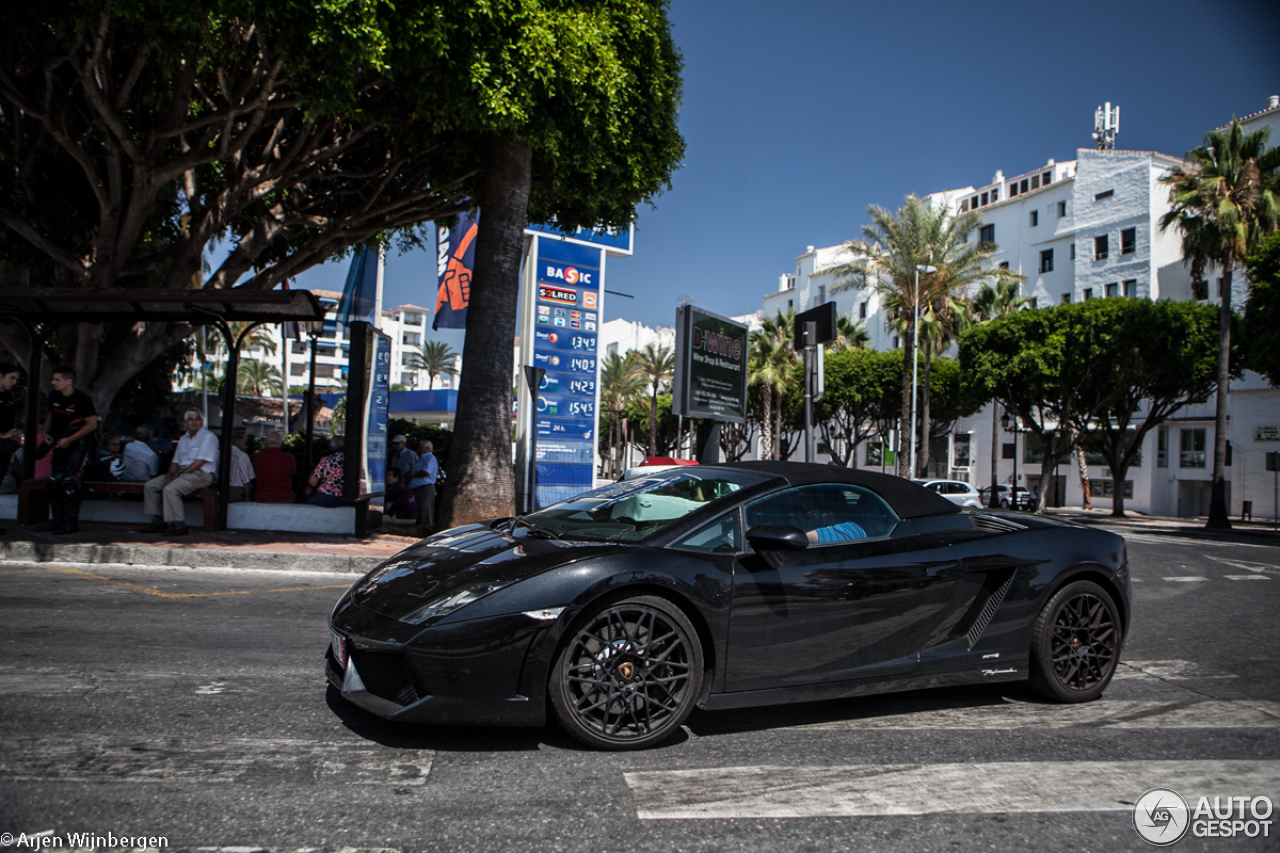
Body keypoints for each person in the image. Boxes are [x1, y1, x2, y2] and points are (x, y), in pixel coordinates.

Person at [139, 409, 218, 535]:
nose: (194, 422)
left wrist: (180, 475)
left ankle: (178, 524)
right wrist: (169, 476)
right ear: (185, 422)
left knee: (171, 489)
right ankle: (158, 521)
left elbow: (200, 462)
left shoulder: (208, 437)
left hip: (200, 473)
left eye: (197, 419)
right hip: (182, 472)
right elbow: (175, 462)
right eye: (191, 419)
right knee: (151, 486)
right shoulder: (183, 439)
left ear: (202, 421)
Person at [39, 366, 98, 533]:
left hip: (77, 445)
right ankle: (56, 519)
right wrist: (45, 432)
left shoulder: (82, 399)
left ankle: (70, 521)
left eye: (57, 380)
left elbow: (91, 425)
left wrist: (70, 439)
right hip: (58, 442)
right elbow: (51, 413)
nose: (53, 382)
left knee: (70, 482)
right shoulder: (54, 396)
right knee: (54, 481)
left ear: (68, 381)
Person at [253, 431, 296, 503]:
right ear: (281, 443)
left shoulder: (258, 457)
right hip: (283, 497)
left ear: (266, 443)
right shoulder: (289, 457)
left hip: (262, 497)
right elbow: (293, 472)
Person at [306, 435, 346, 507]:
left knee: (308, 507)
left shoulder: (326, 460)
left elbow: (312, 482)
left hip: (326, 496)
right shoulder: (351, 461)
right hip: (345, 498)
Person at [408, 439, 438, 527]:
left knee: (425, 511)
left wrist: (413, 474)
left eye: (421, 448)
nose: (419, 450)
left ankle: (425, 528)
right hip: (417, 487)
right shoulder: (421, 458)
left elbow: (426, 472)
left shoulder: (430, 458)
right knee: (419, 509)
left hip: (425, 487)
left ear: (428, 448)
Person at [0, 363, 21, 478]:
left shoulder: (8, 395)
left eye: (16, 379)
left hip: (6, 445)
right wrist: (2, 435)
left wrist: (13, 434)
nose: (14, 382)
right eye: (11, 378)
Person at [228, 431, 255, 502]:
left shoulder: (222, 453)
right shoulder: (242, 456)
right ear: (239, 443)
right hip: (237, 490)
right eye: (244, 443)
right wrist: (247, 498)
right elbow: (245, 480)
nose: (246, 446)